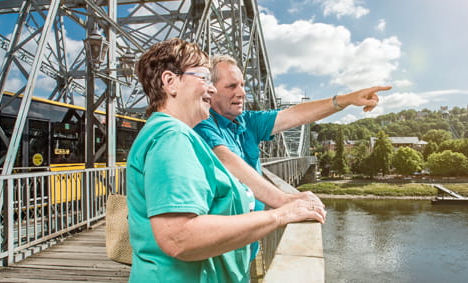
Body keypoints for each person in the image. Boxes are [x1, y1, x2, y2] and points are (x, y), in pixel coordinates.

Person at [126, 38, 326, 282]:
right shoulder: (172, 136)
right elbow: (179, 238)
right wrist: (282, 213)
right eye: (203, 77)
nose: (211, 89)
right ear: (170, 82)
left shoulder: (170, 133)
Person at [194, 55, 391, 260]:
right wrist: (285, 201)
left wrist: (346, 100)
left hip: (244, 254)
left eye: (243, 84)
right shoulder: (202, 122)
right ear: (210, 89)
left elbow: (296, 115)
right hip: (217, 258)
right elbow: (225, 160)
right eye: (231, 86)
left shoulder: (246, 122)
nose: (242, 92)